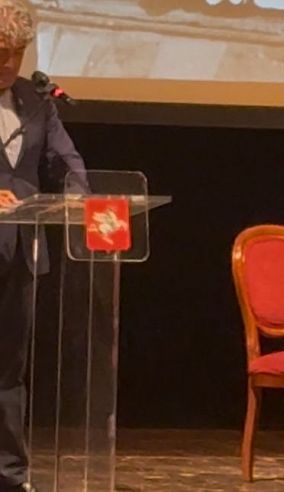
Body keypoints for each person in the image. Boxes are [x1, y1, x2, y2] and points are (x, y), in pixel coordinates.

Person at [0, 1, 87, 491]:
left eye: (17, 52)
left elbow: (66, 159)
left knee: (9, 373)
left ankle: (10, 475)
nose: (9, 63)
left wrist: (78, 195)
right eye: (0, 52)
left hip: (22, 254)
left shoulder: (36, 102)